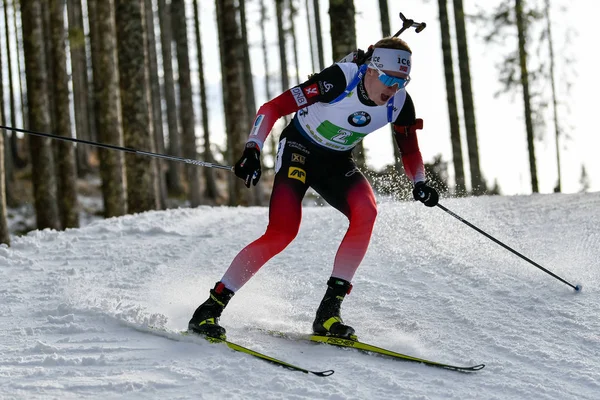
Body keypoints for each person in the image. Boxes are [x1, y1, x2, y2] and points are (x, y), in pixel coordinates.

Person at [188, 36, 439, 341]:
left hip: (335, 162)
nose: (393, 88)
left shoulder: (400, 103)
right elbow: (273, 107)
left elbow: (409, 151)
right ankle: (209, 308)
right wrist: (253, 149)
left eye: (401, 81)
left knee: (367, 212)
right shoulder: (337, 81)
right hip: (299, 149)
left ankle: (328, 314)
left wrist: (420, 182)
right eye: (388, 78)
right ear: (371, 70)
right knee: (282, 232)